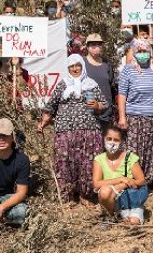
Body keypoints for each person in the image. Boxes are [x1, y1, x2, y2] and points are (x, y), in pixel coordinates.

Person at [40, 54, 105, 204]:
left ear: (82, 67)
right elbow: (51, 105)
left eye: (78, 66)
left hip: (89, 130)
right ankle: (67, 197)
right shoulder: (63, 84)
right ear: (68, 68)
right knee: (64, 163)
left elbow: (103, 104)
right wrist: (42, 122)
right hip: (65, 130)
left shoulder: (91, 84)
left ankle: (85, 195)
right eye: (72, 66)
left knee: (87, 164)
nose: (75, 69)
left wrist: (97, 106)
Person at [116, 38, 153, 184]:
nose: (142, 54)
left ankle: (148, 181)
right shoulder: (128, 69)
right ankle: (133, 181)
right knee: (134, 150)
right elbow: (122, 94)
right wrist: (122, 117)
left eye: (145, 51)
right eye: (139, 51)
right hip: (135, 118)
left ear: (150, 51)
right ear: (134, 52)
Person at [92, 125, 147, 225]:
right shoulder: (99, 159)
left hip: (129, 198)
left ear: (121, 142)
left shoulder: (130, 157)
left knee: (133, 222)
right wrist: (121, 179)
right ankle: (109, 216)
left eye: (116, 140)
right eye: (109, 139)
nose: (112, 142)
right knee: (104, 191)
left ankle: (125, 215)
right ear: (103, 138)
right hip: (111, 199)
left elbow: (141, 180)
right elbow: (96, 184)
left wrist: (123, 185)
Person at [80, 34, 116, 128]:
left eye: (98, 44)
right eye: (92, 45)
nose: (96, 47)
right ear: (87, 47)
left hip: (106, 114)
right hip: (86, 114)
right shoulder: (81, 63)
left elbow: (111, 85)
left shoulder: (106, 63)